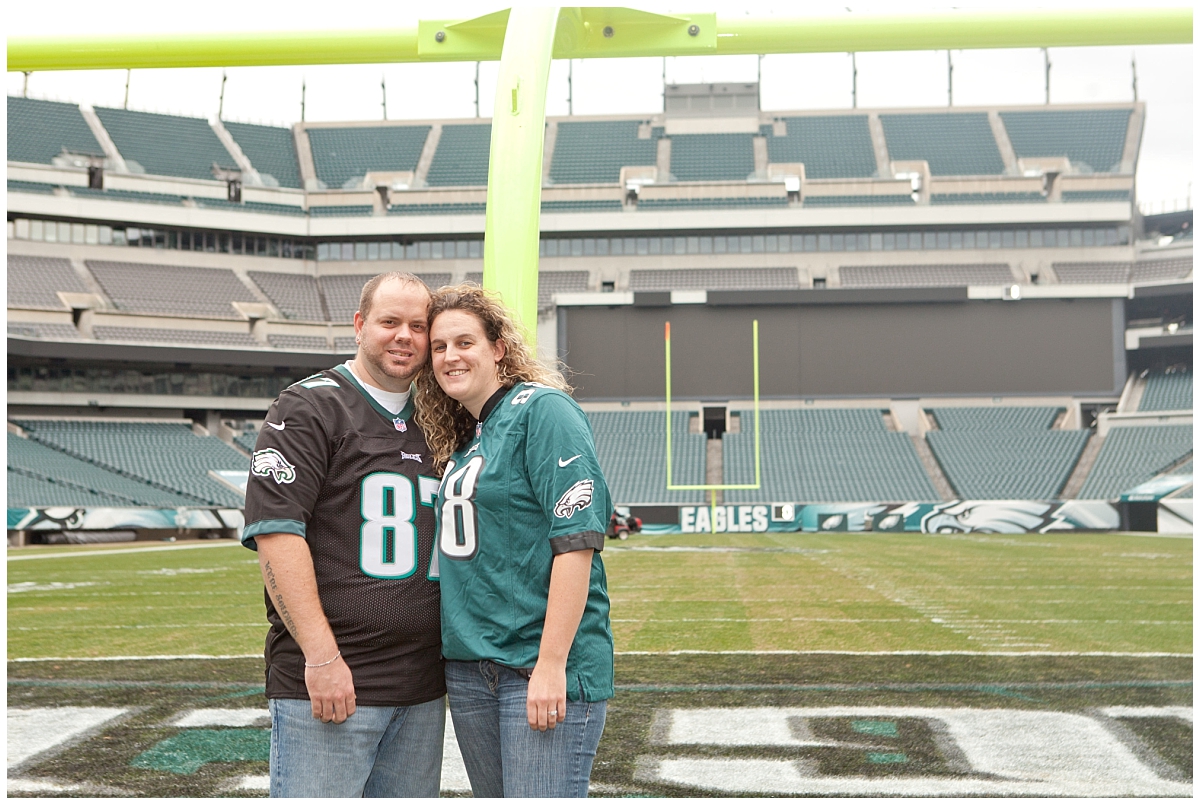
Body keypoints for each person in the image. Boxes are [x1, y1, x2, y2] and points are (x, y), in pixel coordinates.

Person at [241, 272, 445, 798]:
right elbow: (277, 536)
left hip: (423, 687)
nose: (404, 336)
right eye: (389, 322)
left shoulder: (440, 417)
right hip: (335, 681)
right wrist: (322, 657)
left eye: (418, 326)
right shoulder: (309, 406)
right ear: (359, 325)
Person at [415, 284, 614, 798]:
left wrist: (550, 666)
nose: (450, 357)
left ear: (498, 348)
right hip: (471, 667)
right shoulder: (471, 434)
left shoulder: (542, 410)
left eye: (464, 342)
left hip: (533, 664)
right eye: (439, 347)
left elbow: (577, 542)